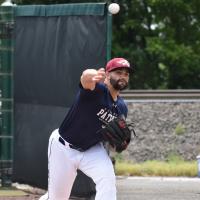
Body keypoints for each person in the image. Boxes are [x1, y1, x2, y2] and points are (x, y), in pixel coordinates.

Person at [39, 57, 133, 200]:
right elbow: (85, 78)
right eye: (118, 72)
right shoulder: (96, 90)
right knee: (57, 198)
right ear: (107, 75)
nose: (123, 76)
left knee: (107, 179)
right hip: (64, 147)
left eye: (126, 74)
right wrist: (92, 74)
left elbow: (112, 139)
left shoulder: (121, 108)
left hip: (91, 149)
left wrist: (119, 144)